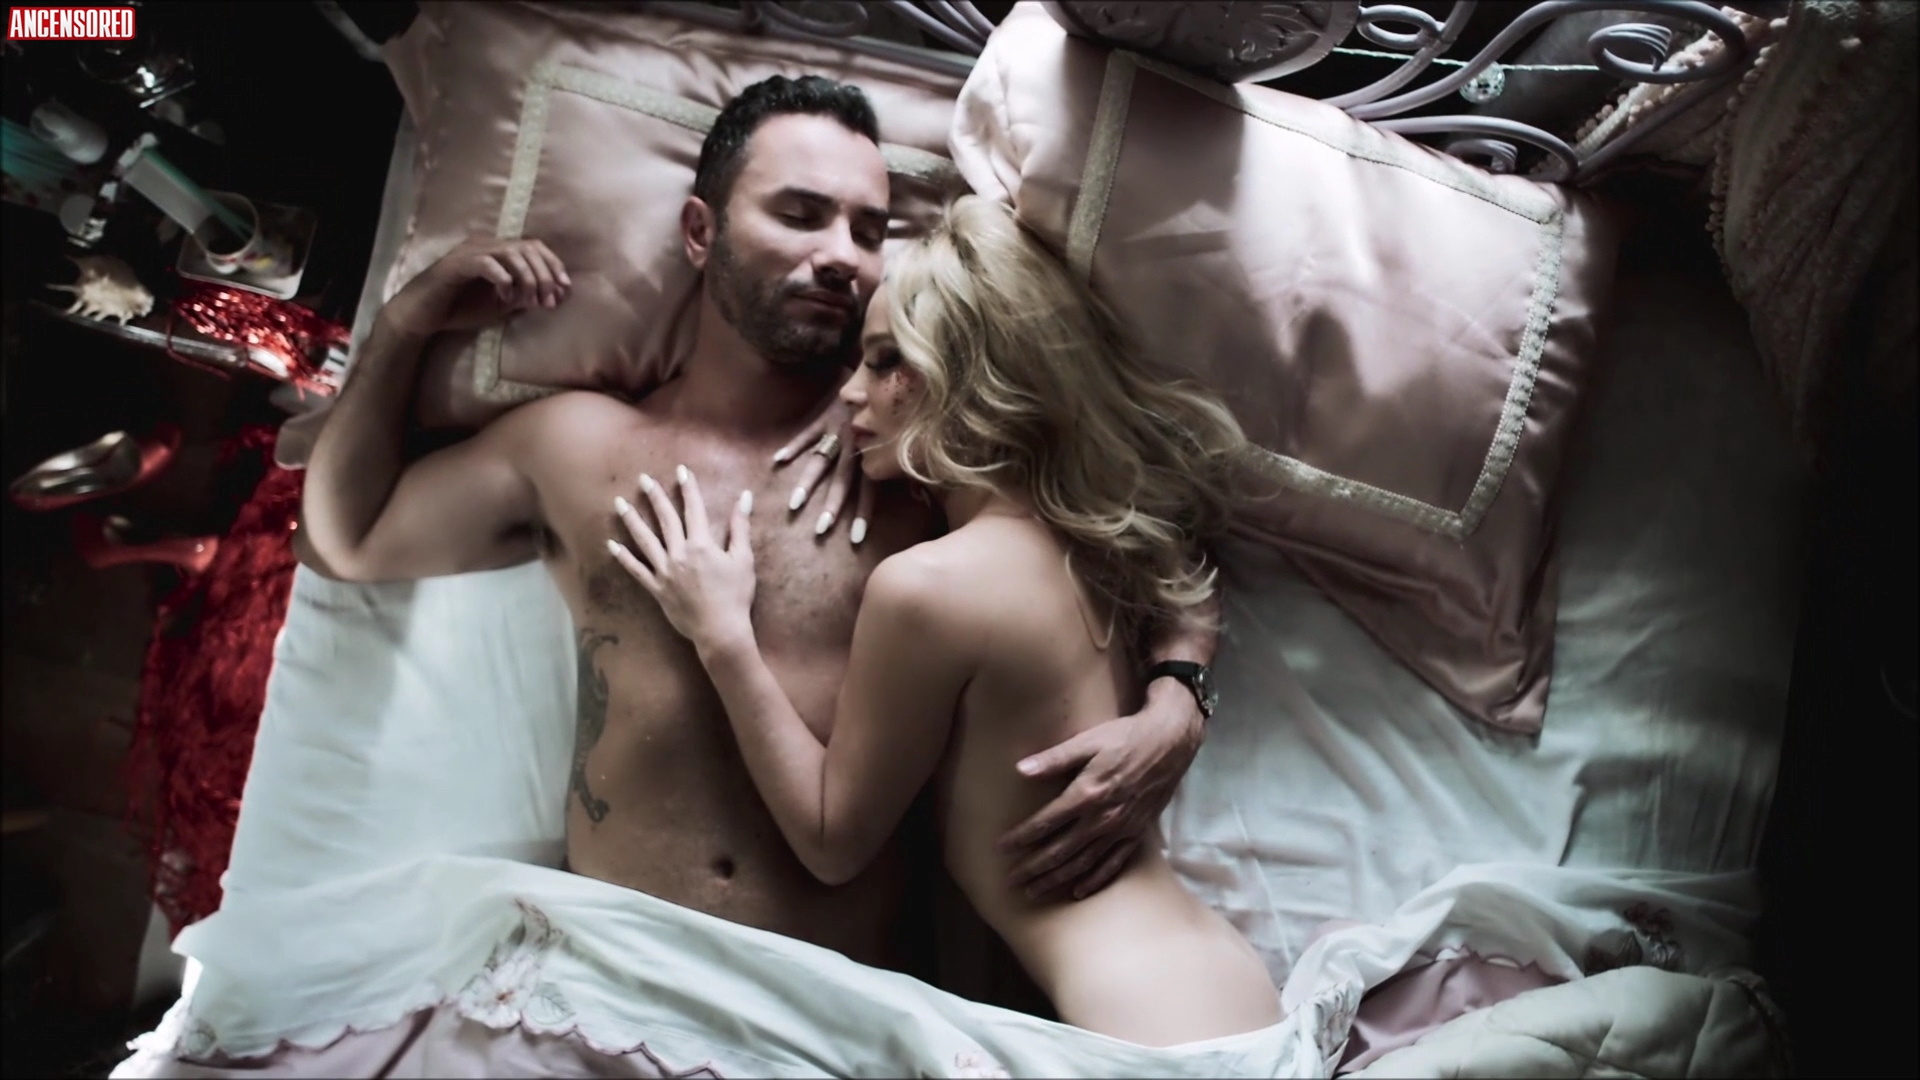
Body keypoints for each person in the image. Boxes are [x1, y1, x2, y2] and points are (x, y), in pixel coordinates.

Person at [298, 75, 1218, 974]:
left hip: (838, 1001)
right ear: (701, 232)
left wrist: (1179, 698)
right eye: (801, 214)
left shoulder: (920, 464)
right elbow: (349, 540)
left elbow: (1147, 529)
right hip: (610, 973)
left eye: (869, 231)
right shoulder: (579, 449)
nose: (843, 254)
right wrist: (407, 320)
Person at [606, 195, 1279, 1046]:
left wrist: (722, 636)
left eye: (886, 361)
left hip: (1139, 1035)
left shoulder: (928, 589)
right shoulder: (1096, 537)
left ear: (974, 371)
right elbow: (1191, 577)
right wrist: (1176, 690)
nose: (850, 392)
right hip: (1236, 994)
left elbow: (830, 841)